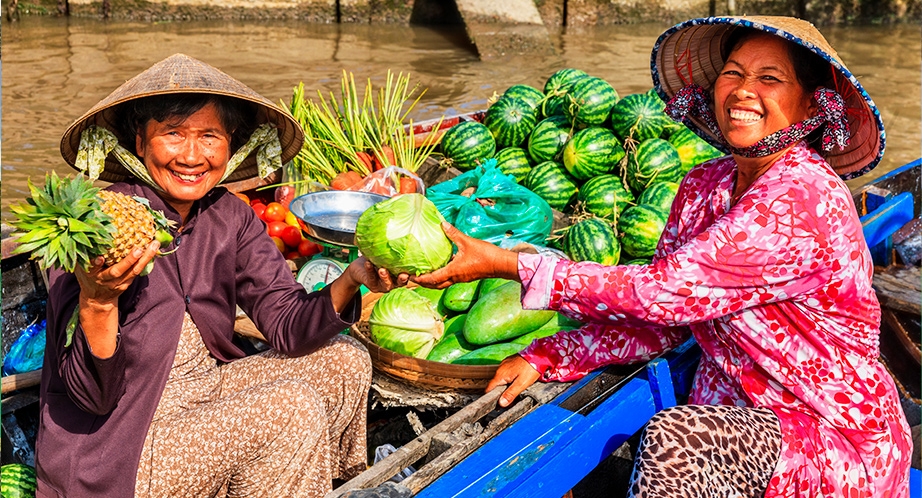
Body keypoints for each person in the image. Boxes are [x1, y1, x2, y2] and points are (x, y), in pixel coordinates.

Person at [414, 16, 912, 496]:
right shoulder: (704, 185)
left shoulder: (804, 197)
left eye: (769, 79)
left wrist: (507, 262)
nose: (742, 91)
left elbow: (662, 292)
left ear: (810, 107)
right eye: (733, 74)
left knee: (674, 441)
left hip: (825, 436)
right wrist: (553, 354)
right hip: (735, 420)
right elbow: (666, 324)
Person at [36, 53, 406, 497]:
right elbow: (90, 398)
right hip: (119, 440)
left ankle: (304, 484)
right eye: (173, 134)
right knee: (288, 407)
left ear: (230, 144)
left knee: (345, 360)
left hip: (204, 390)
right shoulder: (95, 224)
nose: (192, 155)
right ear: (140, 142)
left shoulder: (229, 216)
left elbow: (287, 324)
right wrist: (98, 301)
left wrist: (354, 276)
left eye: (209, 135)